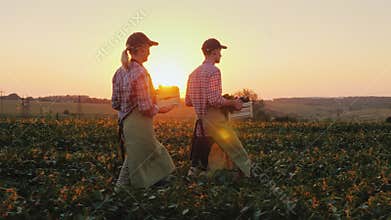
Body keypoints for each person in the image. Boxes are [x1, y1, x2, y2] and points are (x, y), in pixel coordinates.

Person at [112, 32, 176, 189]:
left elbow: (115, 103)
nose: (149, 51)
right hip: (140, 124)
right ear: (140, 48)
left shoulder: (119, 72)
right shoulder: (140, 72)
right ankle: (147, 188)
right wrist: (160, 108)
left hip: (126, 123)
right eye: (148, 47)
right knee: (155, 154)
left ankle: (122, 190)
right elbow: (145, 107)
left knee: (137, 156)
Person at [185, 38, 251, 177]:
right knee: (235, 148)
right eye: (220, 52)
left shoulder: (193, 74)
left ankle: (201, 176)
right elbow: (214, 100)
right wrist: (232, 103)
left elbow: (188, 101)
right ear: (214, 52)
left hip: (200, 121)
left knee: (205, 152)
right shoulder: (214, 71)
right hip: (214, 119)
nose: (221, 55)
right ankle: (247, 175)